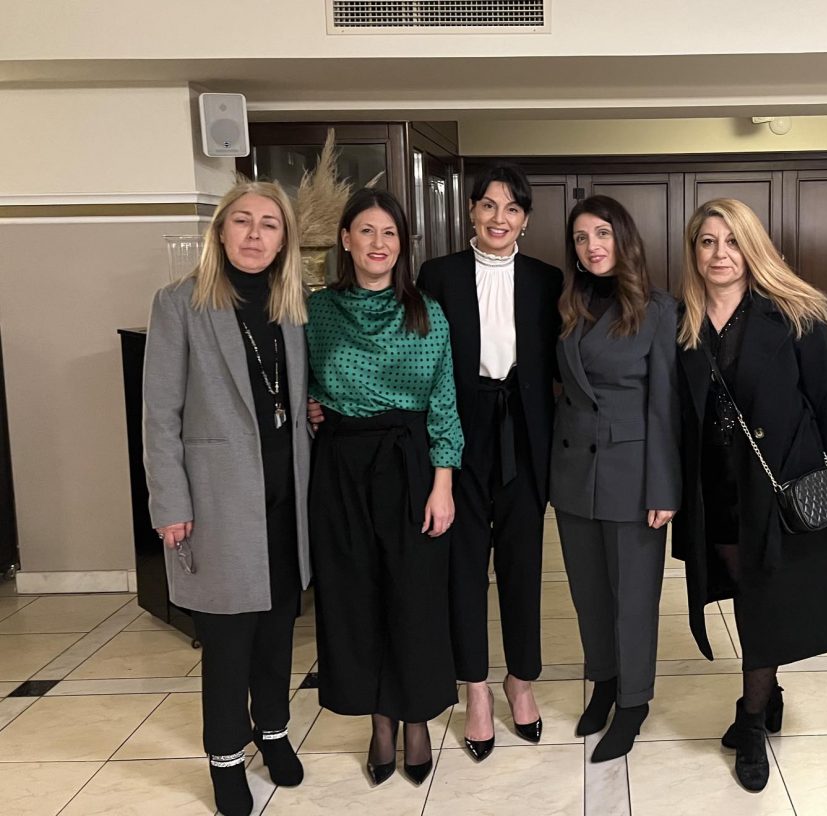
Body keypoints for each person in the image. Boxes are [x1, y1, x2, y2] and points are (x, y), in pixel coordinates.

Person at [674, 198, 827, 792]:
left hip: (777, 484)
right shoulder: (683, 322)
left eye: (732, 241)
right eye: (707, 242)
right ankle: (768, 691)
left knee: (762, 595)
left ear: (752, 247)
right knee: (744, 587)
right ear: (694, 252)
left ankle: (751, 718)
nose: (719, 254)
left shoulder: (795, 313)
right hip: (715, 488)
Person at [143, 180, 311, 816]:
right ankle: (224, 755)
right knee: (228, 639)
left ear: (284, 240)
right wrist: (170, 503)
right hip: (219, 502)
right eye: (243, 221)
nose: (255, 234)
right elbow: (160, 416)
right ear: (220, 230)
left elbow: (292, 396)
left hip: (285, 498)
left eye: (270, 224)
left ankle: (273, 729)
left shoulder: (292, 305)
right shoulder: (180, 303)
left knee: (277, 628)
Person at [307, 188, 463, 787]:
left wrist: (443, 483)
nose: (379, 243)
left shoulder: (427, 311)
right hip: (340, 466)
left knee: (414, 596)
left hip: (410, 463)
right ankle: (379, 721)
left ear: (403, 244)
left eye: (390, 233)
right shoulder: (317, 311)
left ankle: (416, 718)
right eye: (367, 231)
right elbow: (296, 380)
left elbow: (444, 402)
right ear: (345, 240)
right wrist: (313, 403)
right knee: (354, 595)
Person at [416, 164, 563, 761]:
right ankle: (475, 689)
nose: (499, 218)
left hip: (526, 430)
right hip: (461, 426)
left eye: (512, 208)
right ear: (471, 211)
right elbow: (419, 357)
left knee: (523, 563)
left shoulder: (547, 280)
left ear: (525, 219)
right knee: (464, 564)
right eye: (488, 206)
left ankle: (520, 680)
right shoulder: (439, 274)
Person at [550, 195, 680, 762]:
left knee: (633, 599)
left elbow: (666, 405)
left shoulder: (658, 309)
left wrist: (664, 488)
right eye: (581, 238)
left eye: (602, 233)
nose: (592, 246)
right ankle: (604, 682)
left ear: (623, 238)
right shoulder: (569, 305)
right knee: (589, 594)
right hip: (574, 471)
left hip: (633, 474)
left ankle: (633, 702)